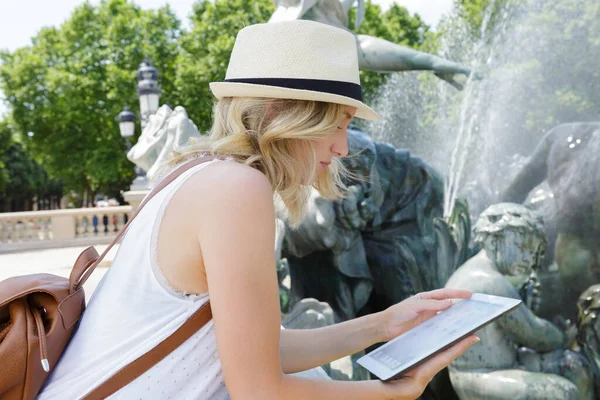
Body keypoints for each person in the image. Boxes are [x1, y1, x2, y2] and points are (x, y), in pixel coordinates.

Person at [38, 20, 476, 399]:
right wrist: (392, 392)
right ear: (281, 112)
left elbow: (264, 351)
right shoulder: (237, 189)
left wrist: (385, 324)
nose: (343, 147)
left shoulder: (197, 174)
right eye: (336, 125)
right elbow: (261, 391)